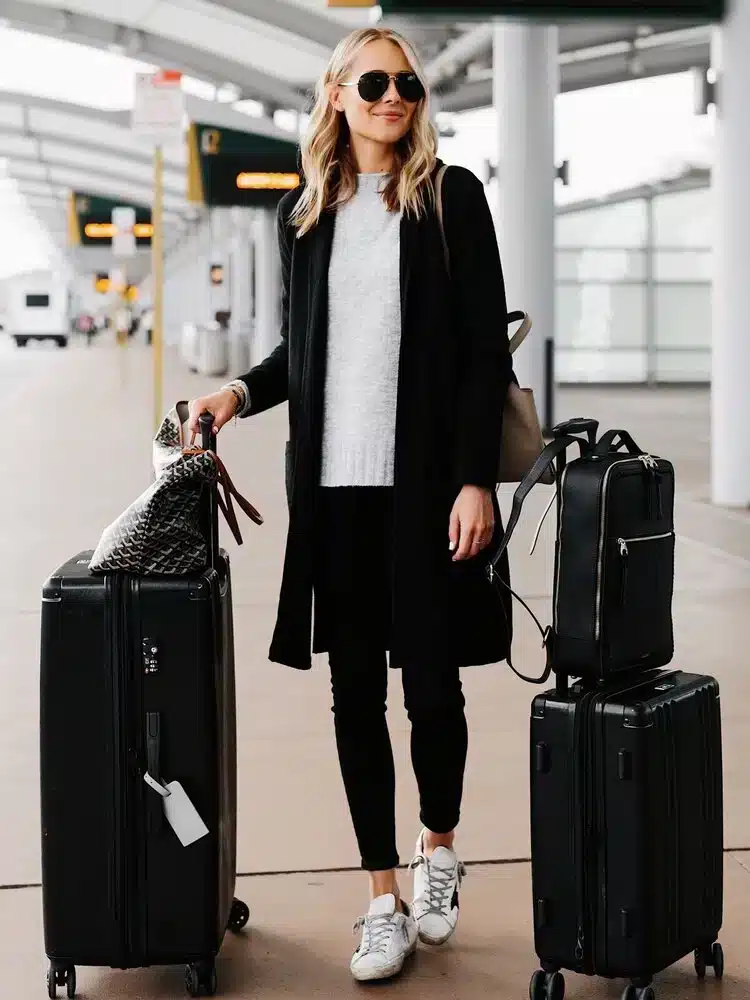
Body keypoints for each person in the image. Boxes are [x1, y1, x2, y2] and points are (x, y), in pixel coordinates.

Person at [188, 25, 514, 984]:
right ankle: (383, 899)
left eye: (406, 83)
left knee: (433, 688)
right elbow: (302, 355)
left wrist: (473, 479)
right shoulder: (310, 211)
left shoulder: (451, 198)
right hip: (334, 496)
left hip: (423, 492)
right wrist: (235, 395)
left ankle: (439, 847)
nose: (392, 97)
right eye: (373, 81)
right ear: (336, 94)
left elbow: (483, 352)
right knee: (353, 697)